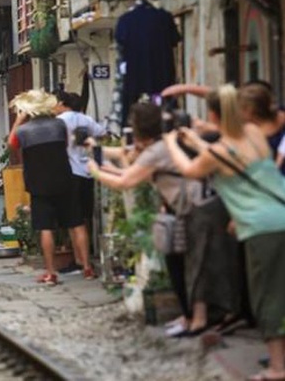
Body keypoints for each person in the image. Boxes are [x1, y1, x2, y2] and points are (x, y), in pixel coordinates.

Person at [88, 102, 240, 337]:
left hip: (198, 207)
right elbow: (132, 174)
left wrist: (96, 172)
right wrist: (104, 167)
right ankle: (197, 318)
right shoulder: (161, 146)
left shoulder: (155, 152)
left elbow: (126, 182)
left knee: (197, 265)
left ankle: (199, 321)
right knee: (197, 263)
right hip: (200, 205)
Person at [165, 85, 285, 381]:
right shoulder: (255, 136)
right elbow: (231, 158)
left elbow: (192, 169)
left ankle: (278, 368)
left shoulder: (219, 151)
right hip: (281, 215)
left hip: (260, 228)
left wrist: (172, 143)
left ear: (215, 116)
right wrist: (194, 138)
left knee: (266, 297)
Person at [8, 89, 88, 285]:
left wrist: (19, 120)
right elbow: (68, 143)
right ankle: (87, 268)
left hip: (39, 184)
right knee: (76, 223)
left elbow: (11, 144)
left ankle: (51, 272)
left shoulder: (24, 131)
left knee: (45, 228)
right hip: (64, 179)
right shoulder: (59, 124)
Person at [55, 91, 106, 275]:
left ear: (62, 103)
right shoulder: (87, 120)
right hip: (88, 172)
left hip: (70, 173)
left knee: (73, 221)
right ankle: (85, 258)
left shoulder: (60, 121)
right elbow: (103, 133)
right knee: (84, 218)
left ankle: (81, 262)